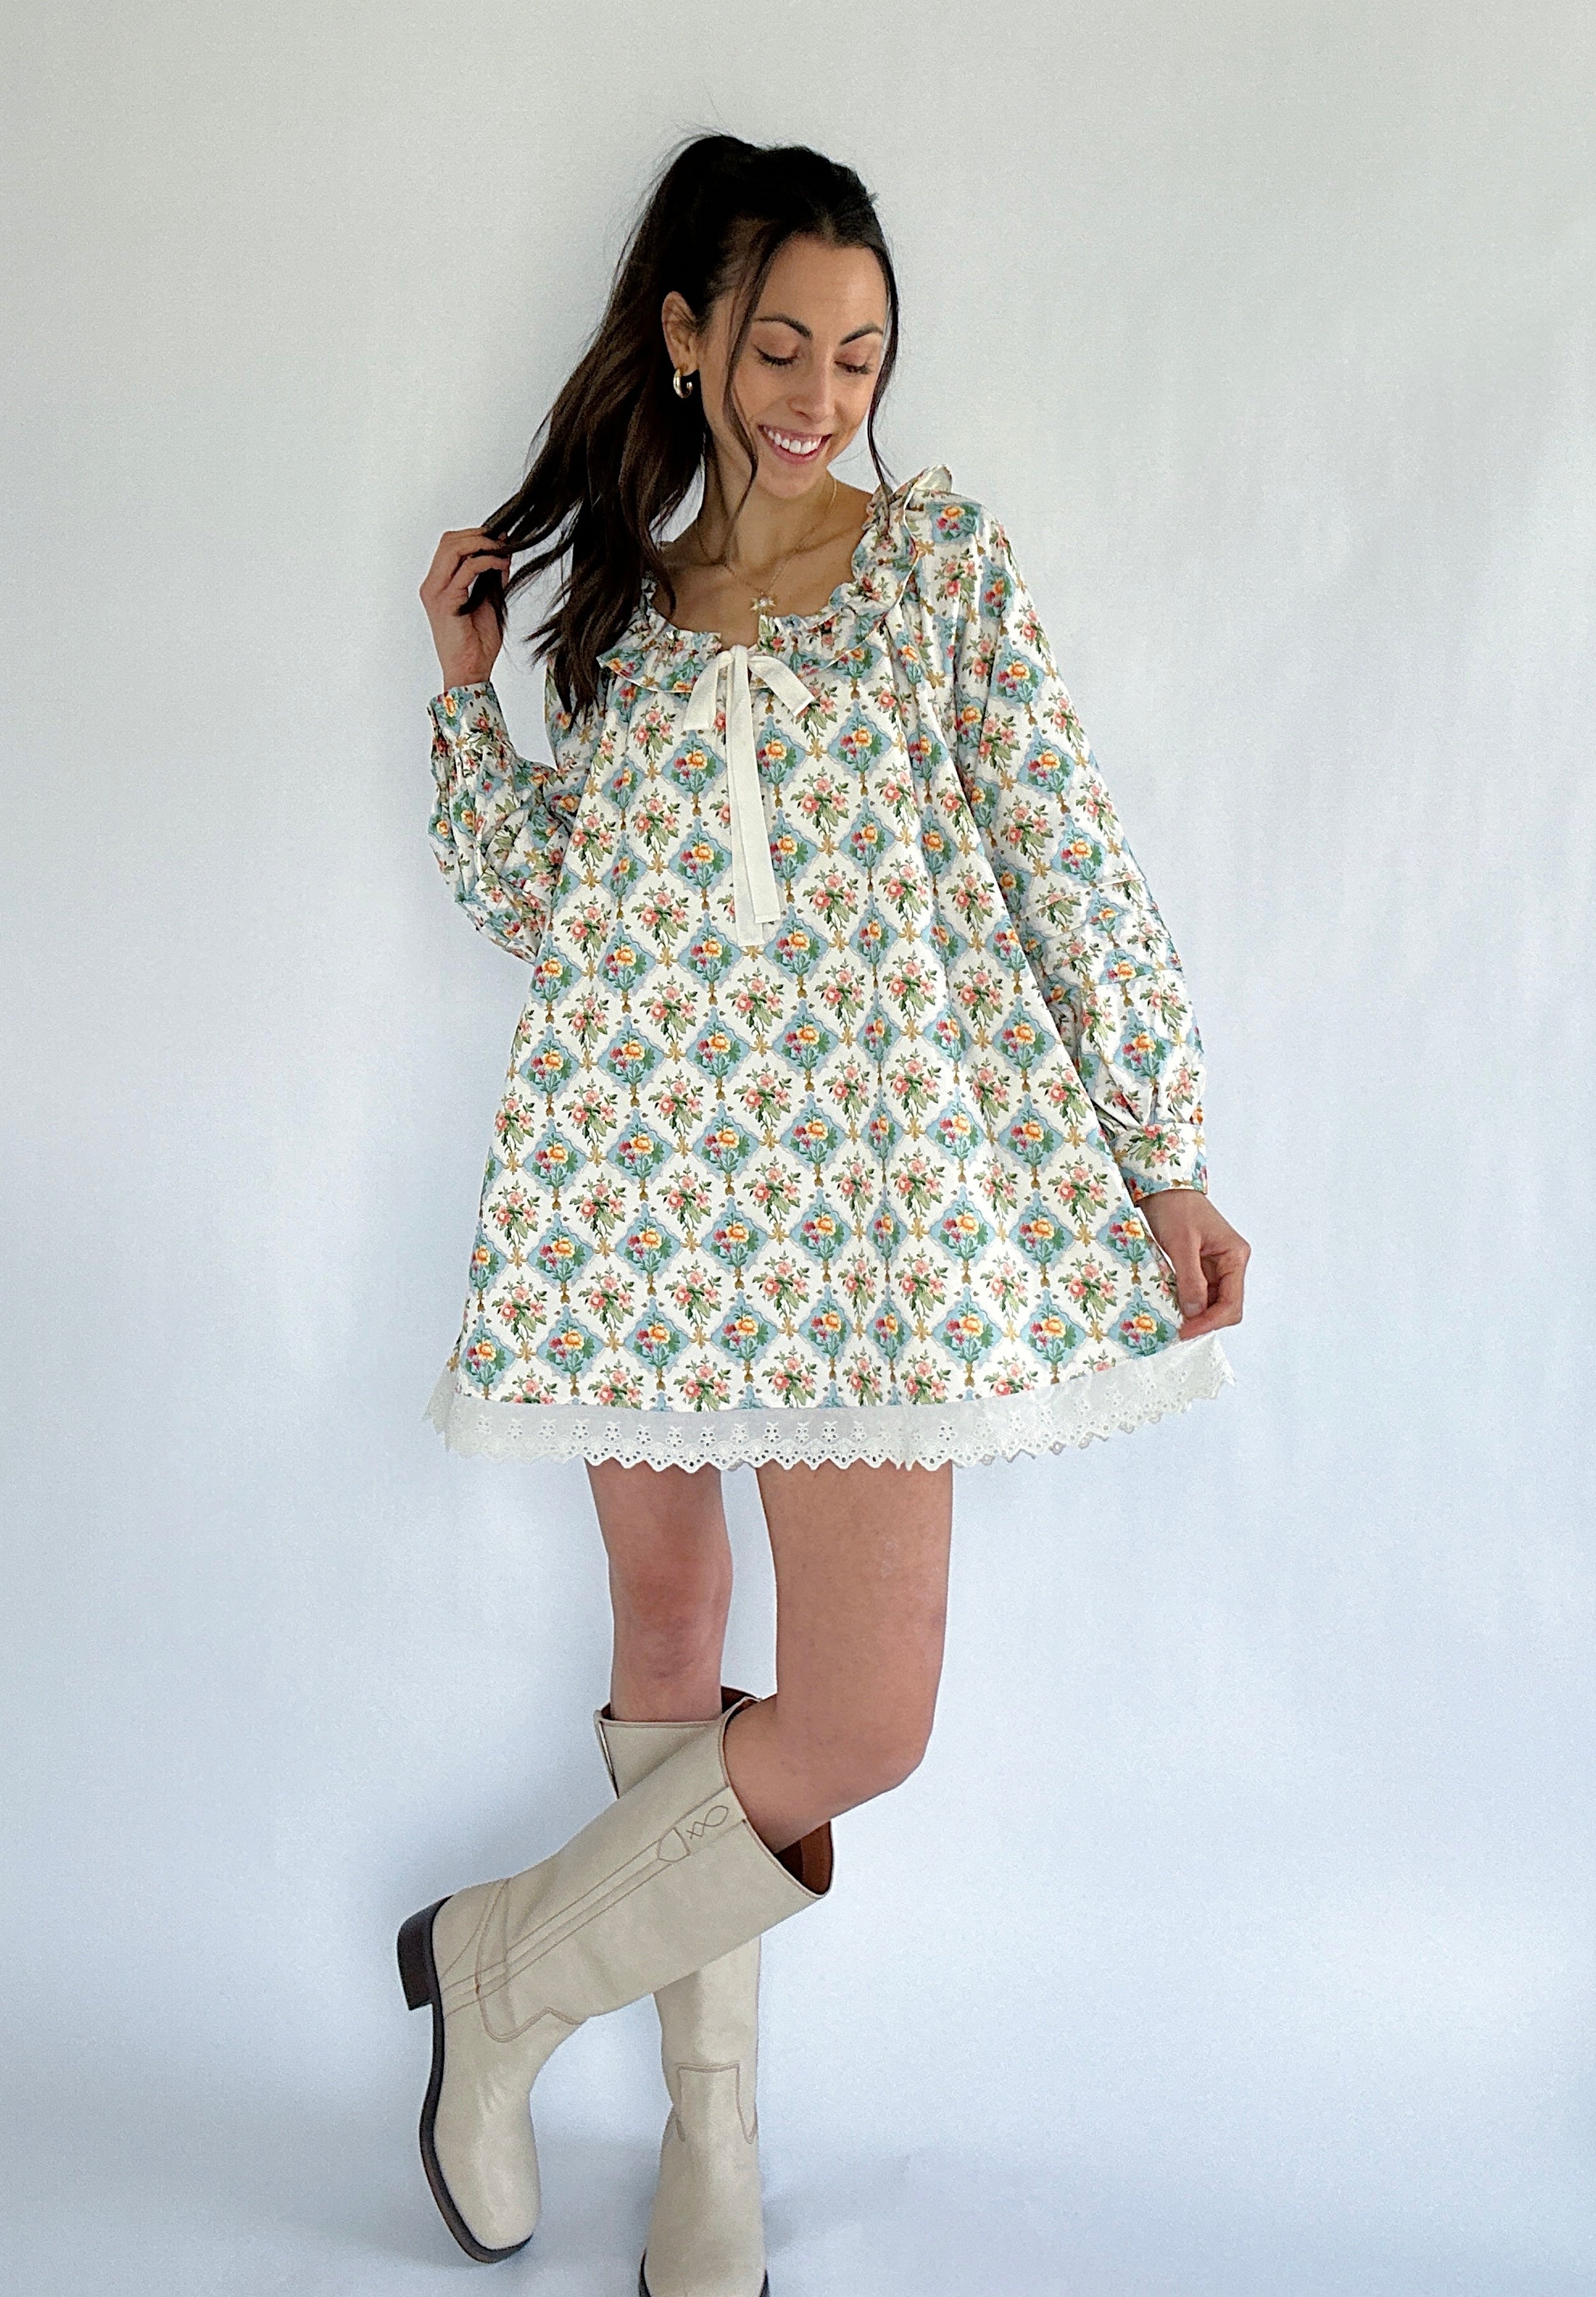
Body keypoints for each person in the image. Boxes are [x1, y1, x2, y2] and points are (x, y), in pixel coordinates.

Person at [405, 132, 1250, 2294]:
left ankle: (502, 1973)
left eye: (860, 354)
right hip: (637, 1191)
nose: (819, 391)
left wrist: (1162, 1144)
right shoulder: (626, 622)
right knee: (674, 1647)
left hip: (867, 1230)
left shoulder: (940, 559)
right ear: (686, 336)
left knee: (863, 1713)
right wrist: (462, 696)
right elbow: (548, 912)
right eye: (779, 342)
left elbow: (1068, 849)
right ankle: (713, 2149)